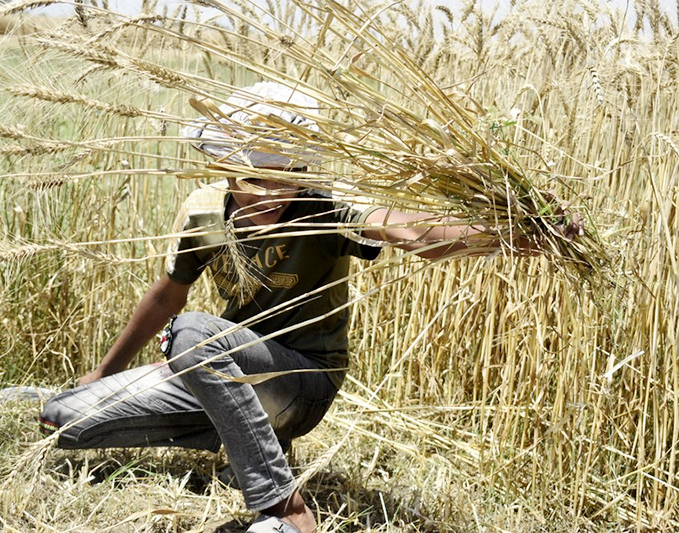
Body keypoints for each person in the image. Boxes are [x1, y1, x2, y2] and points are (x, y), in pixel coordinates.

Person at [39, 82, 583, 533]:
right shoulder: (204, 212)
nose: (271, 193)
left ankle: (283, 508)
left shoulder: (326, 205)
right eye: (254, 178)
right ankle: (243, 433)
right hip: (225, 368)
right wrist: (103, 372)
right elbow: (168, 293)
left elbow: (416, 235)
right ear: (227, 168)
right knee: (65, 419)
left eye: (286, 176)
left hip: (302, 381)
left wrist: (513, 231)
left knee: (190, 336)